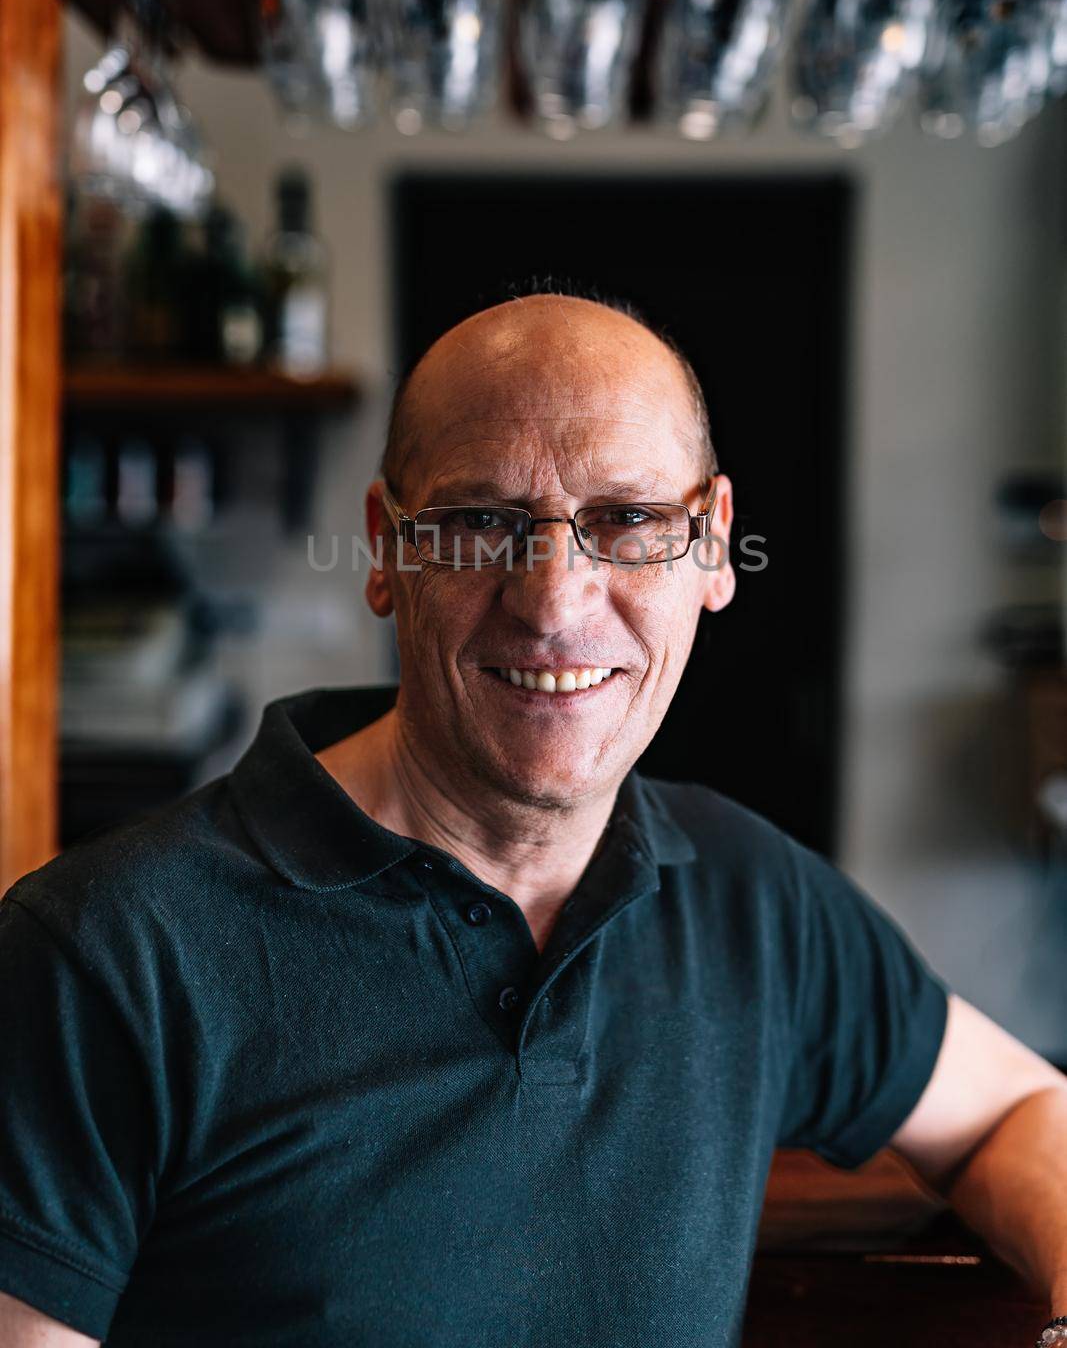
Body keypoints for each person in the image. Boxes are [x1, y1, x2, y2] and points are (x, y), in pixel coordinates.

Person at [2, 291, 1066, 1348]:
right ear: (386, 548)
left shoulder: (750, 897)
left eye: (629, 519)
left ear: (711, 547)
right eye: (478, 522)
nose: (553, 599)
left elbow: (1014, 1110)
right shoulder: (104, 953)